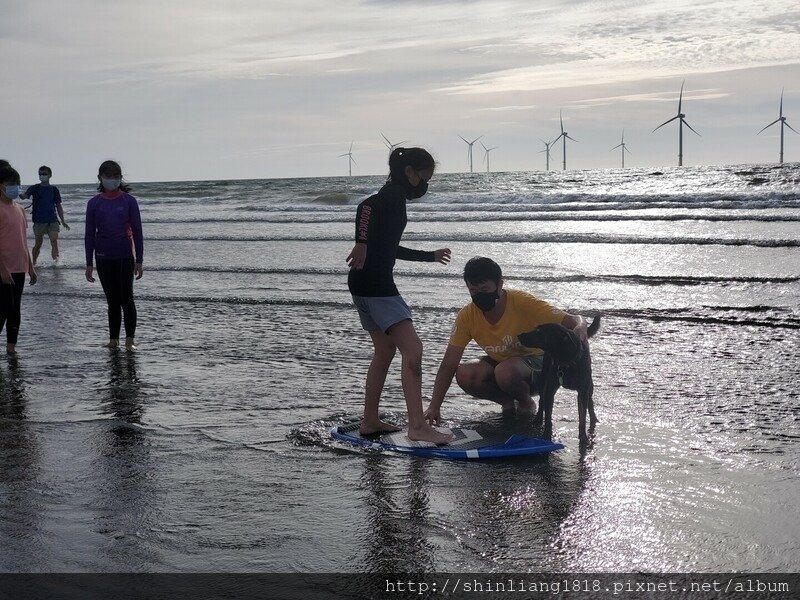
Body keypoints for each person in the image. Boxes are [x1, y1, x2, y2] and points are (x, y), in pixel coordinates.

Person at [346, 147, 453, 445]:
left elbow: (390, 247)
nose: (425, 186)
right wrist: (361, 242)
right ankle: (417, 426)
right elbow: (364, 207)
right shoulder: (392, 194)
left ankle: (369, 420)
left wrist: (429, 257)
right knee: (413, 349)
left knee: (385, 351)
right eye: (424, 178)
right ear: (409, 173)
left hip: (361, 283)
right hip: (378, 286)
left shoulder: (392, 196)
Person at [424, 256, 588, 425]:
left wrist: (581, 326)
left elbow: (573, 319)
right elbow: (449, 363)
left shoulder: (523, 303)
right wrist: (434, 406)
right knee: (465, 373)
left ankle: (526, 402)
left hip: (538, 368)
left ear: (499, 285)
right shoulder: (467, 316)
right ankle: (507, 403)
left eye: (485, 290)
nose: (479, 295)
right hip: (502, 365)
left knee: (504, 372)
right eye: (474, 291)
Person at [84, 160, 143, 351]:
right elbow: (89, 234)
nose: (112, 180)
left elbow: (137, 231)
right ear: (100, 178)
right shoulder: (94, 203)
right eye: (108, 177)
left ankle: (130, 339)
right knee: (112, 301)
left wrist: (139, 260)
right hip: (103, 257)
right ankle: (113, 340)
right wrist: (88, 263)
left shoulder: (129, 201)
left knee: (127, 298)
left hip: (125, 256)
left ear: (120, 178)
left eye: (116, 177)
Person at [0, 164, 37, 354]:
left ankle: (11, 349)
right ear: (1, 186)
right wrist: (2, 269)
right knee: (5, 307)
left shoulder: (19, 210)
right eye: (11, 183)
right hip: (3, 268)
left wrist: (30, 266)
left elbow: (23, 240)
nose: (15, 187)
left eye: (17, 183)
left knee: (15, 309)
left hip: (20, 267)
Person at [20, 165, 70, 263]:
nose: (42, 176)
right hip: (39, 221)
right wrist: (21, 195)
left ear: (50, 175)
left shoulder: (54, 189)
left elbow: (58, 205)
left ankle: (56, 264)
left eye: (44, 174)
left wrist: (63, 221)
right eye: (40, 174)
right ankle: (33, 264)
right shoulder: (35, 188)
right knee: (38, 244)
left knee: (54, 241)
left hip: (52, 220)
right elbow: (25, 196)